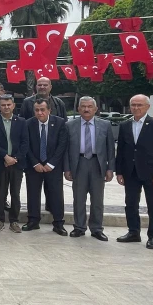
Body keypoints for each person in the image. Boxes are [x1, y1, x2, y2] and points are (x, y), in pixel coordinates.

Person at [115, 94, 153, 249]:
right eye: (133, 105)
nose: (136, 108)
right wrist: (119, 171)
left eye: (139, 105)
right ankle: (133, 232)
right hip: (130, 172)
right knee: (130, 203)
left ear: (147, 106)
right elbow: (121, 150)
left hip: (151, 173)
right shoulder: (125, 125)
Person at [64, 96, 115, 241]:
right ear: (79, 109)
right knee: (78, 198)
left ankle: (97, 228)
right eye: (83, 107)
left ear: (95, 109)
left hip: (97, 164)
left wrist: (110, 168)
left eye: (89, 106)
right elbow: (66, 149)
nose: (86, 109)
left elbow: (110, 148)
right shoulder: (70, 125)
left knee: (97, 199)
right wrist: (67, 168)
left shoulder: (105, 125)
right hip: (78, 163)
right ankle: (79, 227)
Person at [24, 99, 69, 235]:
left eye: (42, 109)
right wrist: (35, 163)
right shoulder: (28, 124)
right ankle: (33, 220)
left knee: (56, 194)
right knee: (32, 193)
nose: (40, 112)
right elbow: (26, 145)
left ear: (49, 110)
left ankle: (58, 223)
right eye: (37, 110)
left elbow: (62, 145)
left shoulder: (60, 123)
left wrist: (51, 164)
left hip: (53, 166)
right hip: (34, 166)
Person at [0, 94, 29, 233]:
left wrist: (14, 158)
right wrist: (5, 156)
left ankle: (14, 221)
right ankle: (0, 219)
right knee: (0, 193)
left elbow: (25, 143)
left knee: (15, 193)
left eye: (8, 104)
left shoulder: (22, 122)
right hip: (0, 163)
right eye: (3, 105)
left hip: (16, 164)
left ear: (13, 105)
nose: (6, 107)